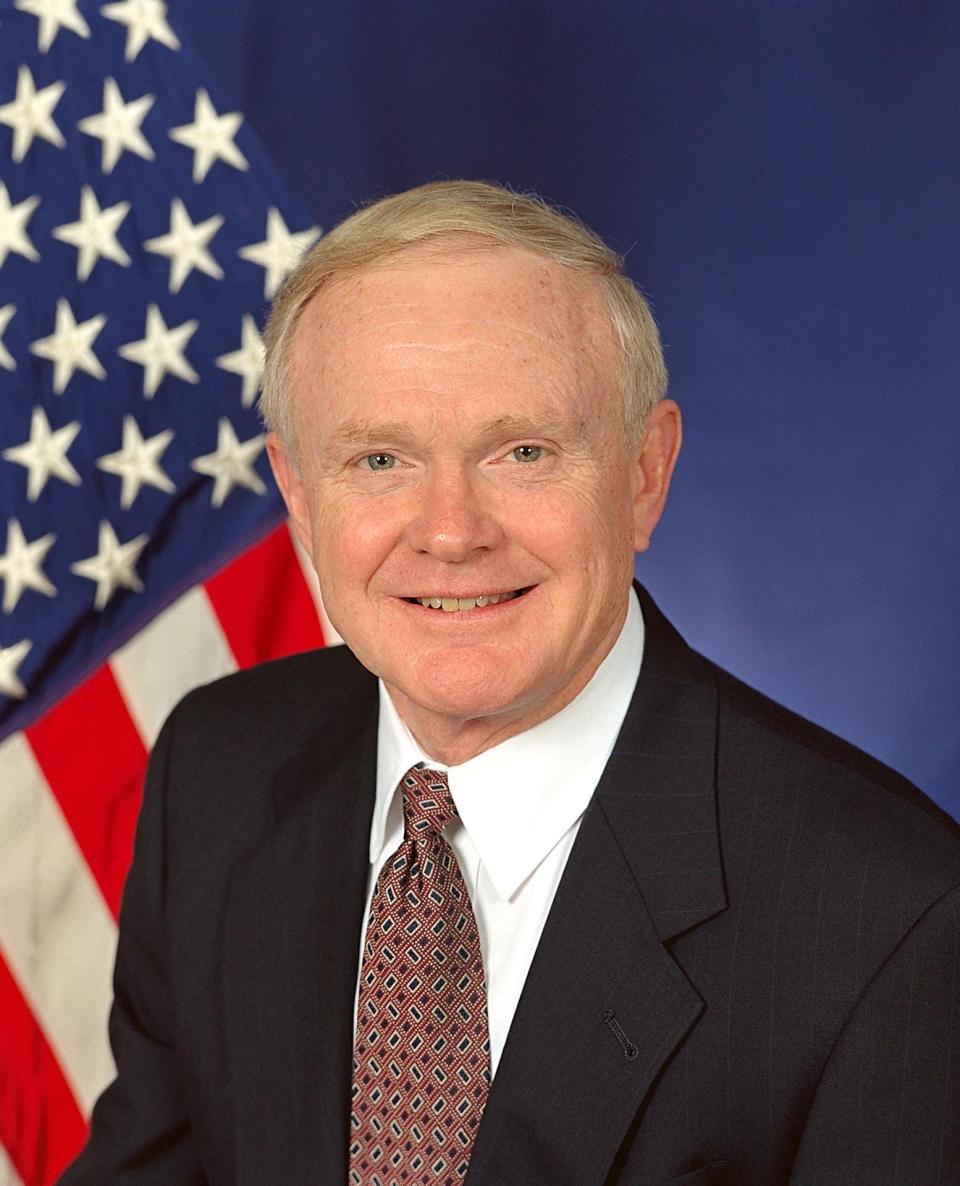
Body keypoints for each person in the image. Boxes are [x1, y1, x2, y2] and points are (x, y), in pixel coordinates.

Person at [60, 181, 960, 1186]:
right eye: (381, 457)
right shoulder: (218, 769)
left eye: (523, 451)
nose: (450, 530)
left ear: (643, 475)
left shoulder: (890, 921)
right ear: (300, 499)